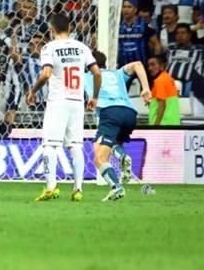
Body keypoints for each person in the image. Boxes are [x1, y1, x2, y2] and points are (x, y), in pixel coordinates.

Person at [26, 12, 102, 202]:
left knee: (50, 146)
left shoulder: (49, 47)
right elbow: (97, 72)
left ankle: (51, 187)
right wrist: (94, 96)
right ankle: (77, 190)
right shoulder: (81, 47)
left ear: (51, 30)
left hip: (58, 101)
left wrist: (33, 91)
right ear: (70, 28)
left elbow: (45, 74)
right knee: (75, 145)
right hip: (77, 103)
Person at [84, 51, 152, 202]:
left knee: (99, 158)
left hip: (110, 113)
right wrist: (145, 88)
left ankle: (117, 188)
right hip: (130, 113)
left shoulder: (86, 76)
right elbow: (138, 65)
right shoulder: (117, 73)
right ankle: (122, 156)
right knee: (105, 143)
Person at [147, 54, 182, 126]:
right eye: (149, 65)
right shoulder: (168, 78)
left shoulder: (160, 81)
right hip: (173, 124)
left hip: (163, 125)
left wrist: (155, 126)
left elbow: (162, 105)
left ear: (162, 66)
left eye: (153, 64)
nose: (150, 68)